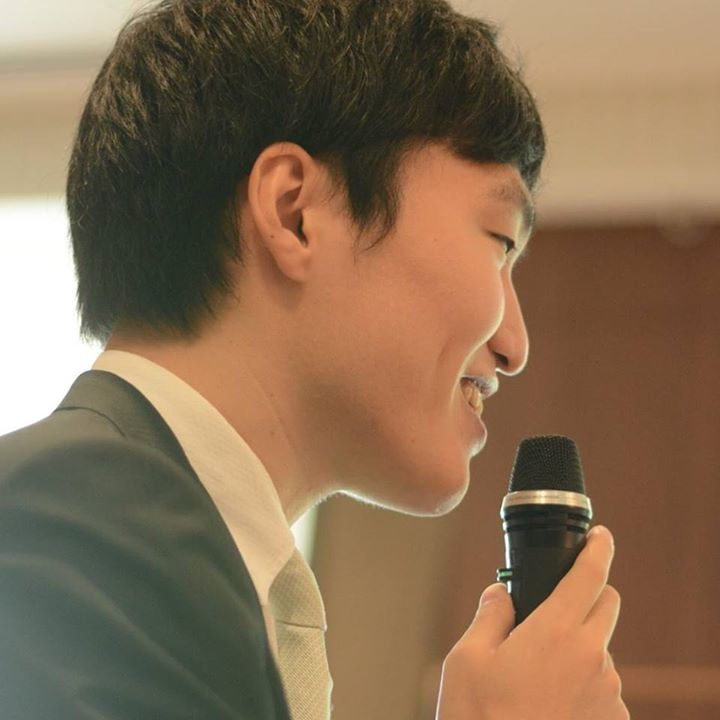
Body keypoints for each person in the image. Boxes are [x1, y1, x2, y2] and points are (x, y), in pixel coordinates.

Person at [0, 0, 628, 718]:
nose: (515, 346)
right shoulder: (68, 527)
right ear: (294, 212)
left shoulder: (179, 562)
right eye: (498, 242)